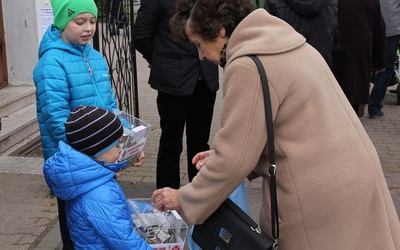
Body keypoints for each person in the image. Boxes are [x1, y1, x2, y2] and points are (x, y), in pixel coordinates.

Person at [151, 0, 400, 249]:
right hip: (350, 176)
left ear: (221, 31)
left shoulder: (247, 64)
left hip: (316, 196)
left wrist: (184, 199)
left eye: (199, 44)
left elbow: (234, 158)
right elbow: (287, 127)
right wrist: (225, 155)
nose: (201, 55)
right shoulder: (285, 42)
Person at [33, 0, 124, 248]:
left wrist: (124, 140)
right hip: (73, 163)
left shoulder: (94, 57)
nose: (89, 28)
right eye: (79, 21)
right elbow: (56, 118)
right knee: (74, 227)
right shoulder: (52, 62)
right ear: (62, 23)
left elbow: (110, 105)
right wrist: (98, 152)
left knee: (98, 223)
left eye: (93, 21)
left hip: (100, 158)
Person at [133, 0, 219, 189]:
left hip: (205, 80)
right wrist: (161, 60)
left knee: (200, 144)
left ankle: (199, 199)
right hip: (172, 83)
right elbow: (141, 35)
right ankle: (166, 202)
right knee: (170, 144)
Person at [43, 106, 151, 250]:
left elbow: (115, 211)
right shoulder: (100, 193)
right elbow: (125, 242)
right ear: (100, 151)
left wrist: (146, 209)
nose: (120, 149)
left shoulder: (89, 180)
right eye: (117, 145)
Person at [331, 0, 386, 117]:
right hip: (358, 55)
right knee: (353, 98)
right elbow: (379, 30)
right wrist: (379, 62)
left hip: (332, 52)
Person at [264, 0, 339, 66]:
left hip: (288, 68)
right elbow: (336, 41)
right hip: (322, 68)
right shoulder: (332, 2)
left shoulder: (273, 2)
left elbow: (268, 42)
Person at [368, 0, 400, 118]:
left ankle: (359, 101)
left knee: (365, 63)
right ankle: (375, 107)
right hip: (390, 28)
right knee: (385, 69)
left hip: (367, 26)